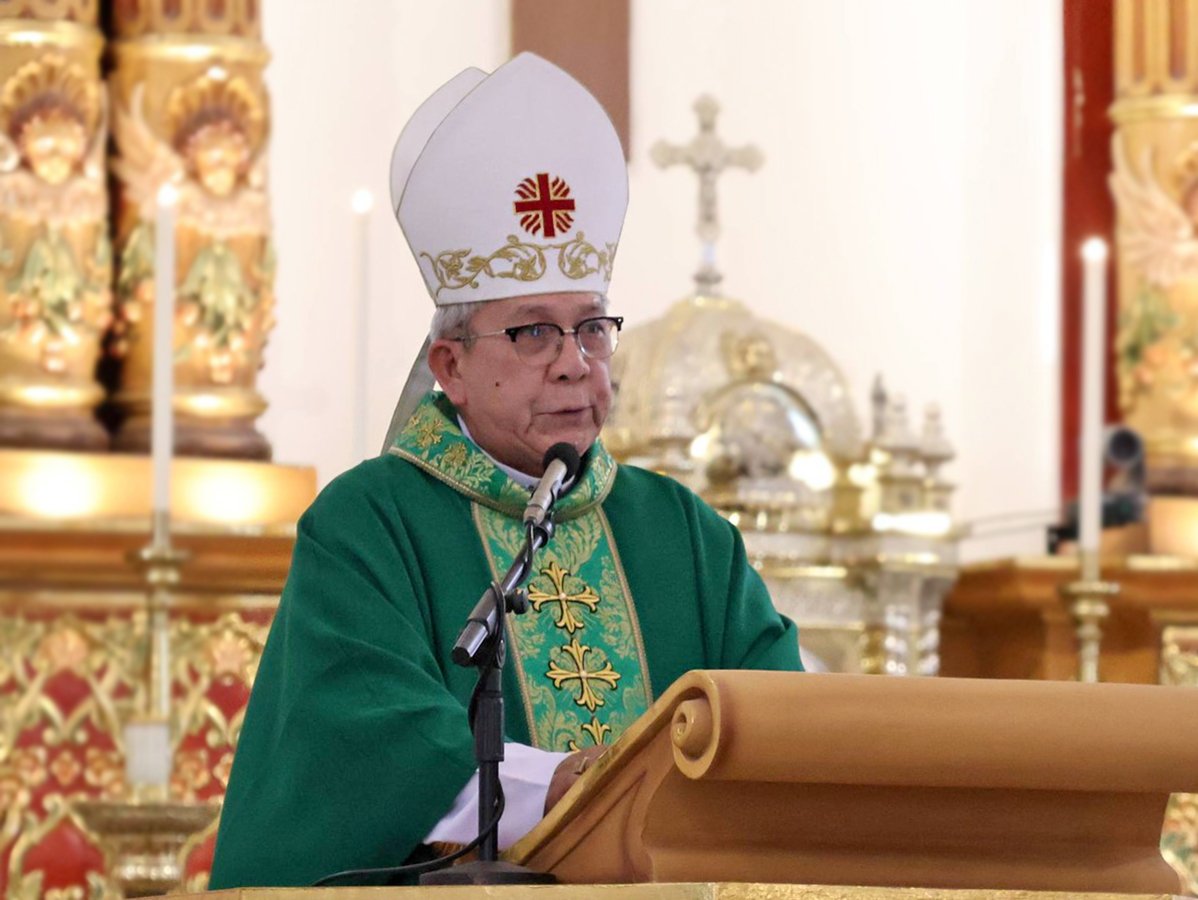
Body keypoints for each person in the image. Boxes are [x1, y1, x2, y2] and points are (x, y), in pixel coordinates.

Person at [208, 54, 802, 889]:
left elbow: (781, 719)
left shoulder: (684, 534)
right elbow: (359, 746)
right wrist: (554, 789)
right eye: (532, 333)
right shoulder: (369, 523)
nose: (573, 363)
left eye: (592, 328)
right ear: (448, 365)